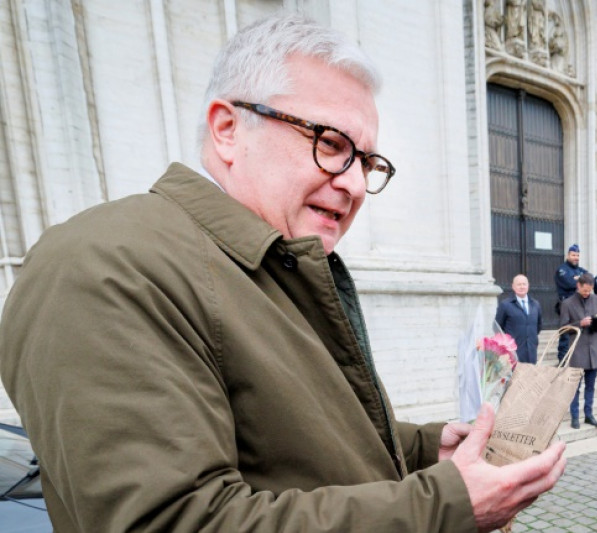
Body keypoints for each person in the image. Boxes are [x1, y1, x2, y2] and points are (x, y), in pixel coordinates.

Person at [0, 14, 567, 532]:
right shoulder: (104, 264)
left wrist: (425, 450)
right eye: (329, 144)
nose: (350, 182)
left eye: (366, 162)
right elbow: (176, 521)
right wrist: (445, 503)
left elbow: (295, 442)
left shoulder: (269, 265)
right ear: (226, 128)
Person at [559, 273, 597, 429]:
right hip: (577, 351)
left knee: (591, 386)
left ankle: (589, 415)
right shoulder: (567, 303)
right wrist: (580, 323)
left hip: (594, 351)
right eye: (585, 290)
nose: (587, 293)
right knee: (575, 388)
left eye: (590, 290)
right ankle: (575, 417)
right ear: (578, 286)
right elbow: (563, 328)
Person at [495, 274, 543, 364]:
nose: (522, 287)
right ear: (513, 286)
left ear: (528, 286)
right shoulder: (505, 305)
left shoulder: (535, 304)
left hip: (531, 350)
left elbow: (538, 326)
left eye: (524, 284)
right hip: (513, 351)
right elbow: (498, 327)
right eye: (519, 284)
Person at [555, 243, 588, 361]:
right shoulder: (562, 270)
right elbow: (569, 283)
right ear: (568, 255)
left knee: (579, 333)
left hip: (580, 306)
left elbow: (590, 280)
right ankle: (562, 361)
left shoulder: (581, 270)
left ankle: (576, 358)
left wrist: (577, 279)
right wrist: (580, 280)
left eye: (578, 255)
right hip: (566, 306)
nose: (576, 257)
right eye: (573, 255)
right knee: (566, 334)